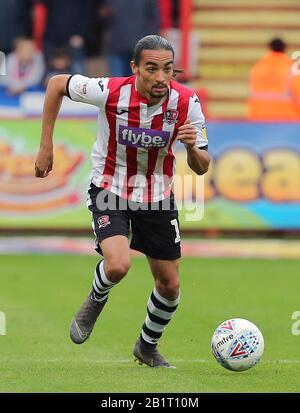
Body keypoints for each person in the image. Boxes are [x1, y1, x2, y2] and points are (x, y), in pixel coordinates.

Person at [34, 35, 211, 368]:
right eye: (152, 68)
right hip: (109, 188)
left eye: (168, 69)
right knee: (118, 264)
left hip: (157, 197)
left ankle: (146, 346)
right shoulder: (111, 91)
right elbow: (57, 83)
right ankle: (97, 298)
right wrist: (46, 146)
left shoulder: (187, 103)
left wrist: (191, 148)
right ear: (135, 68)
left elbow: (202, 166)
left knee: (170, 285)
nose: (161, 77)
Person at [248, 38, 300, 120]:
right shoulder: (291, 68)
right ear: (285, 49)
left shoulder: (258, 67)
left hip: (259, 118)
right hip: (286, 119)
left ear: (270, 48)